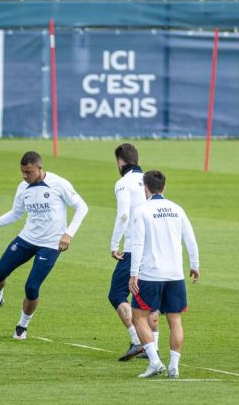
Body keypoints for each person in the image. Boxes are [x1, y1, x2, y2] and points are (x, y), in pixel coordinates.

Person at [0, 151, 89, 339]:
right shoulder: (23, 187)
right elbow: (15, 213)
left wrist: (68, 234)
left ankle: (22, 326)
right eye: (22, 172)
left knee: (31, 288)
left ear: (39, 168)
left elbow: (82, 207)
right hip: (26, 239)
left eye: (29, 172)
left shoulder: (58, 184)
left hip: (51, 245)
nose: (25, 176)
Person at [129, 170, 199, 379]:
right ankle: (174, 367)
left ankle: (155, 362)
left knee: (138, 317)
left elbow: (137, 243)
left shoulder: (142, 210)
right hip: (175, 274)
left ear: (145, 188)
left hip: (151, 274)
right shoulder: (177, 209)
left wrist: (133, 273)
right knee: (175, 320)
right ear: (164, 187)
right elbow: (190, 239)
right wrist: (194, 264)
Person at [107, 143, 159, 361]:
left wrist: (114, 244)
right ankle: (153, 346)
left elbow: (123, 215)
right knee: (148, 296)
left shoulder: (122, 183)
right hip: (154, 247)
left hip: (133, 247)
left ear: (120, 162)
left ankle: (138, 341)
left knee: (117, 293)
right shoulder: (149, 181)